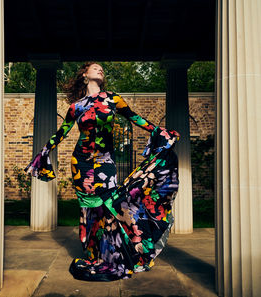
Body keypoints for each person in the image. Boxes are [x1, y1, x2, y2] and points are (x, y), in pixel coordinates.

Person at [25, 62, 180, 281]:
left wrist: (159, 131)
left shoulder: (112, 98)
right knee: (90, 212)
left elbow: (135, 118)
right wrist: (44, 151)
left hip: (105, 163)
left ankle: (121, 253)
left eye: (101, 69)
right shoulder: (76, 107)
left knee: (111, 208)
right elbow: (62, 132)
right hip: (81, 165)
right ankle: (92, 255)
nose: (100, 70)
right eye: (95, 67)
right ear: (84, 74)